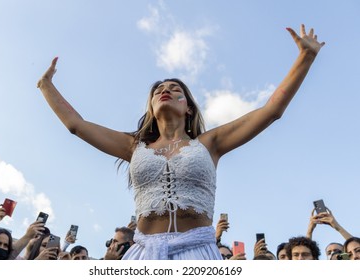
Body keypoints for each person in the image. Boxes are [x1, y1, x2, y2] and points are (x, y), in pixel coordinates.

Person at [37, 24, 324, 260]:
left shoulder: (210, 143)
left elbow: (270, 112)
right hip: (143, 254)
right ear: (151, 107)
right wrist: (46, 86)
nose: (165, 91)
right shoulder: (133, 146)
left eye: (175, 90)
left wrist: (305, 58)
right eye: (159, 90)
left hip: (197, 251)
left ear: (187, 107)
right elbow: (77, 126)